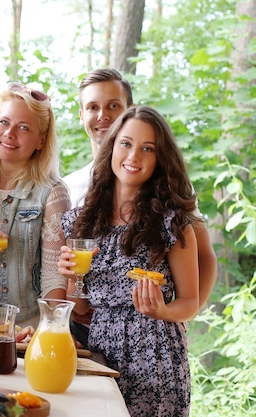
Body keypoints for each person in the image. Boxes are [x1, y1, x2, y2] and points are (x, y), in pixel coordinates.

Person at [59, 105, 199, 417]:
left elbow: (191, 301)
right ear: (111, 147)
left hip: (157, 357)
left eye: (147, 148)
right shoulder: (83, 221)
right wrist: (72, 276)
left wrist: (162, 310)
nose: (133, 156)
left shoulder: (171, 222)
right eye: (126, 143)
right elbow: (80, 309)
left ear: (160, 159)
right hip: (101, 353)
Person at [64, 68, 217, 348]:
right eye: (92, 107)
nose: (103, 116)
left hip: (152, 343)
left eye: (113, 105)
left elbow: (204, 260)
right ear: (81, 114)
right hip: (86, 338)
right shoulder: (69, 190)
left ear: (128, 110)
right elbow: (73, 292)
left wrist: (175, 316)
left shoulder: (171, 198)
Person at [0, 83, 69, 330]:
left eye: (24, 127)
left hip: (24, 329)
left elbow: (55, 276)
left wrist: (51, 330)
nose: (10, 133)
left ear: (41, 141)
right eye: (4, 122)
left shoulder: (52, 192)